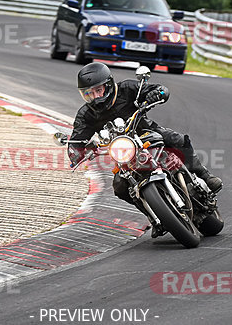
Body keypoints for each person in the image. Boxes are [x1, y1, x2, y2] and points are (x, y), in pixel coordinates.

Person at [68, 62, 222, 234]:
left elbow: (158, 89)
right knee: (120, 187)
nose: (95, 97)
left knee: (177, 140)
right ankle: (154, 217)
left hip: (146, 131)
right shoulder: (85, 115)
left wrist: (157, 93)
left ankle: (205, 176)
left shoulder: (126, 89)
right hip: (122, 152)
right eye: (89, 94)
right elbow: (77, 139)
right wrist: (75, 152)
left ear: (109, 85)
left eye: (98, 90)